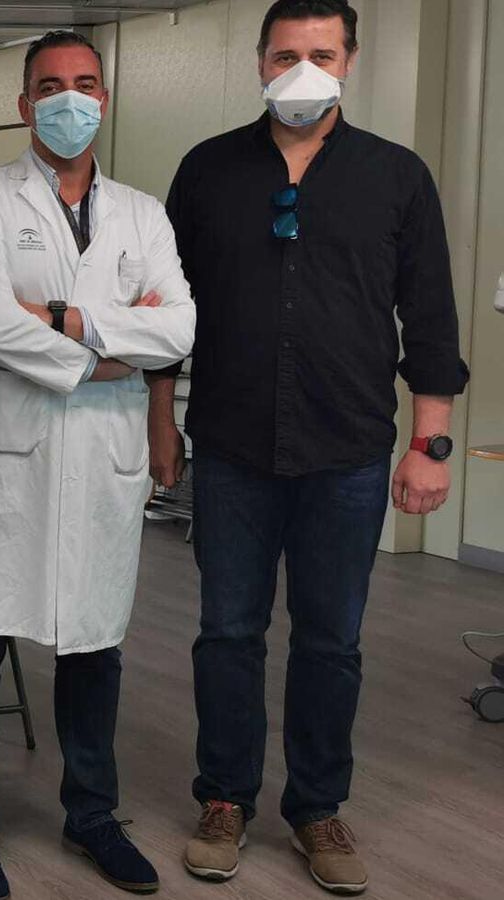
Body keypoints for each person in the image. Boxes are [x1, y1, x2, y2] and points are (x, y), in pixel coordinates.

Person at [147, 2, 469, 894]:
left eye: (321, 54)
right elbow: (169, 310)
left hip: (350, 450)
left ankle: (319, 809)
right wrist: (160, 418)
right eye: (286, 54)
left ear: (350, 63)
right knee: (226, 634)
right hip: (232, 446)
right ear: (259, 63)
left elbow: (431, 315)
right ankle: (224, 801)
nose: (303, 70)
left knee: (331, 642)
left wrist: (431, 443)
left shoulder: (396, 176)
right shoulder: (208, 170)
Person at [0, 30, 197, 899]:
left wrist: (71, 324)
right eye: (50, 85)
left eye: (85, 83)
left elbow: (181, 329)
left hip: (102, 458)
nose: (69, 98)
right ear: (23, 104)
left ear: (106, 98)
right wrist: (116, 341)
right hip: (5, 450)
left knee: (95, 646)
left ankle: (93, 816)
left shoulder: (143, 212)